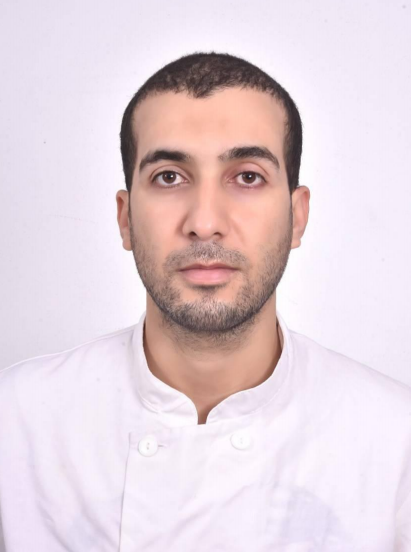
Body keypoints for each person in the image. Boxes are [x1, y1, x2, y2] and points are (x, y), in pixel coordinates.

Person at [0, 52, 409, 552]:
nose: (205, 222)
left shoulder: (396, 443)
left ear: (297, 217)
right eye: (169, 176)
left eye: (248, 176)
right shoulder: (16, 423)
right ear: (126, 219)